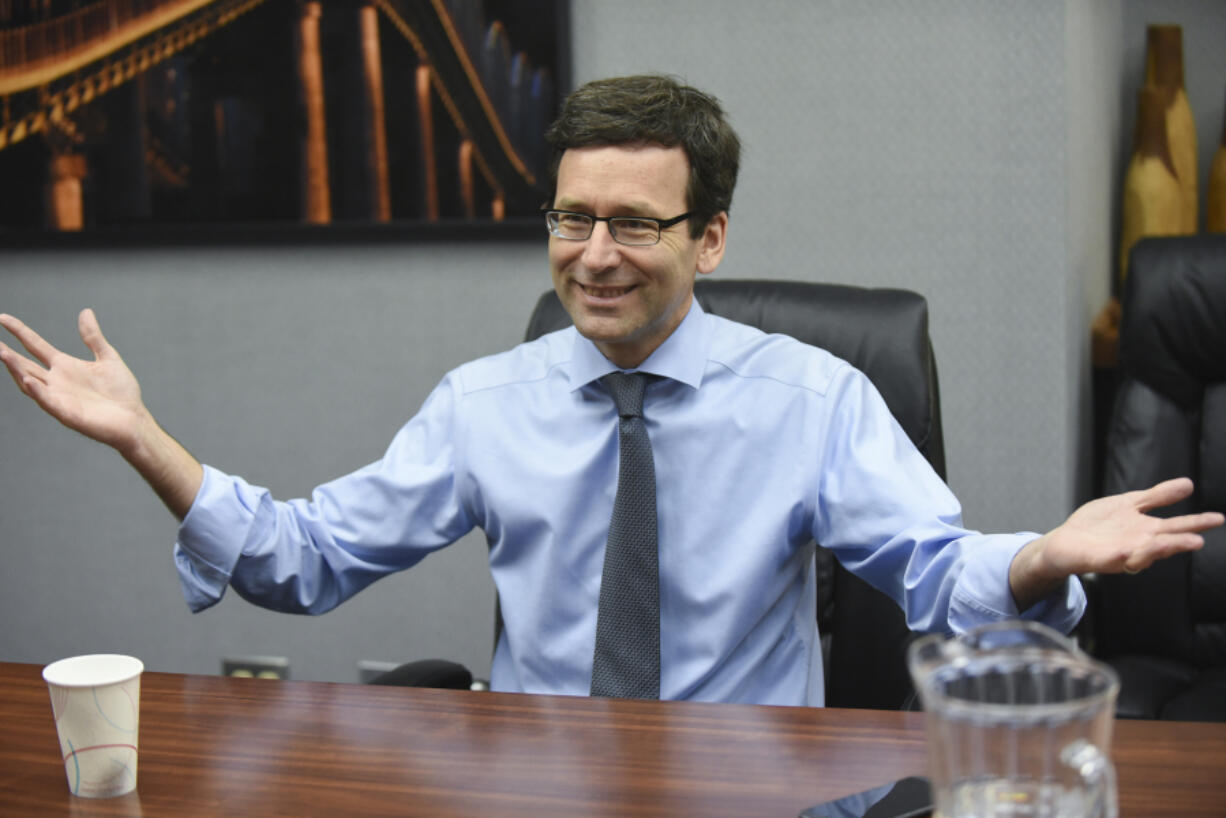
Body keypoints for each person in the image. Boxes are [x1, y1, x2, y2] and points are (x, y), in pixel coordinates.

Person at [1, 75, 1221, 706]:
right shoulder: (485, 402)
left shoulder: (814, 398)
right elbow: (301, 560)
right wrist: (143, 440)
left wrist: (1042, 558)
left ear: (711, 237)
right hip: (539, 783)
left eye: (634, 222)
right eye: (572, 216)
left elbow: (932, 570)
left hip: (755, 789)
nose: (593, 252)